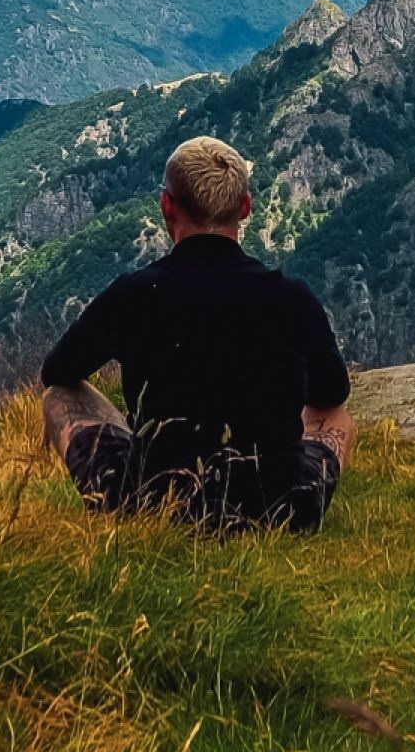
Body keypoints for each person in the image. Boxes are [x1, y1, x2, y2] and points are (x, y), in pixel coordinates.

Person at [39, 134, 354, 534]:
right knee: (338, 416)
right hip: (283, 510)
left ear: (166, 206)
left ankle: (113, 504)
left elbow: (58, 372)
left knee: (59, 397)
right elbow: (332, 395)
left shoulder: (133, 294)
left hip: (155, 505)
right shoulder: (291, 298)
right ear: (245, 207)